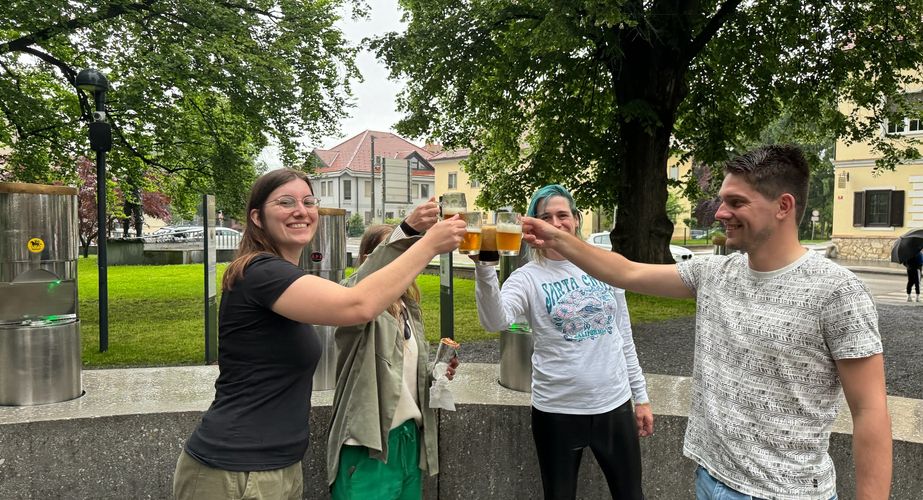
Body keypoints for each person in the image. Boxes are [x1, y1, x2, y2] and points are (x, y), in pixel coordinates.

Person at [521, 145, 892, 500]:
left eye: (736, 202)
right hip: (711, 480)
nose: (719, 213)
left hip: (788, 492)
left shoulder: (838, 291)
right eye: (722, 201)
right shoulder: (713, 273)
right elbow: (627, 272)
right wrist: (558, 238)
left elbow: (870, 411)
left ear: (784, 206)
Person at [173, 169, 466, 500]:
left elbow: (351, 289)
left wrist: (407, 231)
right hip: (235, 471)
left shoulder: (282, 276)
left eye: (308, 201)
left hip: (277, 465)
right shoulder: (260, 273)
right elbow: (357, 304)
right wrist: (428, 245)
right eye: (285, 202)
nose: (301, 210)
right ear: (257, 217)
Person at [472, 184, 653, 500]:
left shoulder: (603, 264)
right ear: (533, 225)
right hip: (557, 409)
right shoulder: (527, 277)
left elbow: (623, 334)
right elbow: (494, 321)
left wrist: (641, 396)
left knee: (631, 495)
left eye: (562, 215)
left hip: (614, 404)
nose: (556, 223)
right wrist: (485, 268)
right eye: (546, 217)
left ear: (576, 219)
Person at [327, 199, 459, 499]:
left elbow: (399, 375)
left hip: (408, 441)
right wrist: (408, 230)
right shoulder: (356, 310)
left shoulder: (409, 308)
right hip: (368, 447)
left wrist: (436, 372)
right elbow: (359, 286)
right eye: (401, 258)